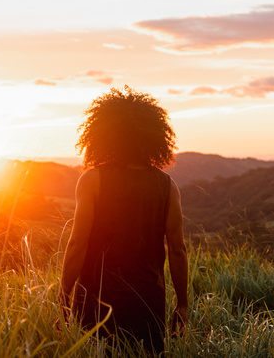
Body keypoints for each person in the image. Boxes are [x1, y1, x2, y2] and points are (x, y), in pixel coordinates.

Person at [58, 86, 189, 356]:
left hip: (95, 300)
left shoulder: (93, 180)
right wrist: (182, 304)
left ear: (103, 134)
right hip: (147, 302)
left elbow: (77, 242)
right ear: (154, 135)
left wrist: (64, 293)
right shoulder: (167, 185)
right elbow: (177, 249)